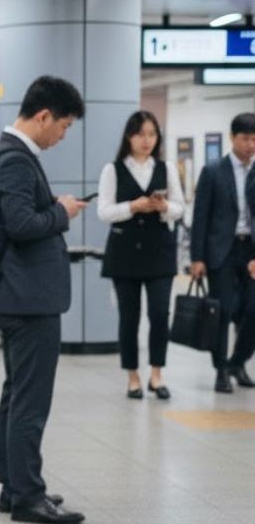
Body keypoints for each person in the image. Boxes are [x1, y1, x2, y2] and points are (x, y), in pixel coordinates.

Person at [0, 75, 87, 524]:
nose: (62, 135)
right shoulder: (15, 161)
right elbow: (22, 224)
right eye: (63, 126)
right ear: (43, 116)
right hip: (27, 298)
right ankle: (27, 495)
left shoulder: (8, 154)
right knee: (30, 399)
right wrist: (62, 211)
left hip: (18, 294)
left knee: (17, 393)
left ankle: (14, 486)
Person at [98, 112, 184, 400]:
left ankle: (156, 374)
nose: (146, 140)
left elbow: (180, 207)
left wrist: (162, 208)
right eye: (141, 134)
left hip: (160, 251)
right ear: (129, 136)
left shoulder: (166, 167)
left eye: (152, 134)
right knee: (129, 317)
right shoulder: (113, 169)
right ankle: (132, 375)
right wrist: (132, 207)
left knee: (160, 315)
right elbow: (104, 212)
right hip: (125, 253)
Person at [189, 112, 255, 394]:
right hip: (221, 252)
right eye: (245, 138)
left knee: (252, 311)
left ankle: (237, 361)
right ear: (232, 138)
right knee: (223, 311)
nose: (250, 145)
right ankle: (220, 371)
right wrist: (197, 257)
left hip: (250, 249)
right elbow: (200, 216)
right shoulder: (214, 171)